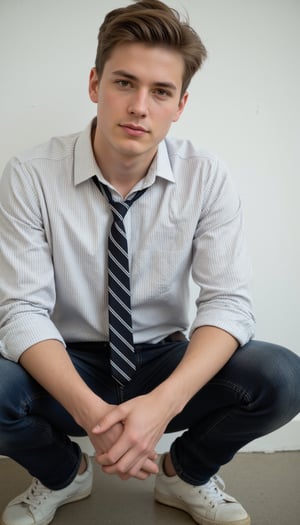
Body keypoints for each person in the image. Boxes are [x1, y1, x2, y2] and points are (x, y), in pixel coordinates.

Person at [0, 1, 299, 524]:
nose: (140, 106)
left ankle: (184, 474)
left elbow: (227, 303)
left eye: (160, 92)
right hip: (68, 361)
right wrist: (94, 416)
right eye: (124, 83)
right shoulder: (31, 175)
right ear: (95, 84)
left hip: (163, 359)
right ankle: (63, 473)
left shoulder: (206, 176)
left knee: (282, 377)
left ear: (180, 104)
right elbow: (21, 310)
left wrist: (160, 407)